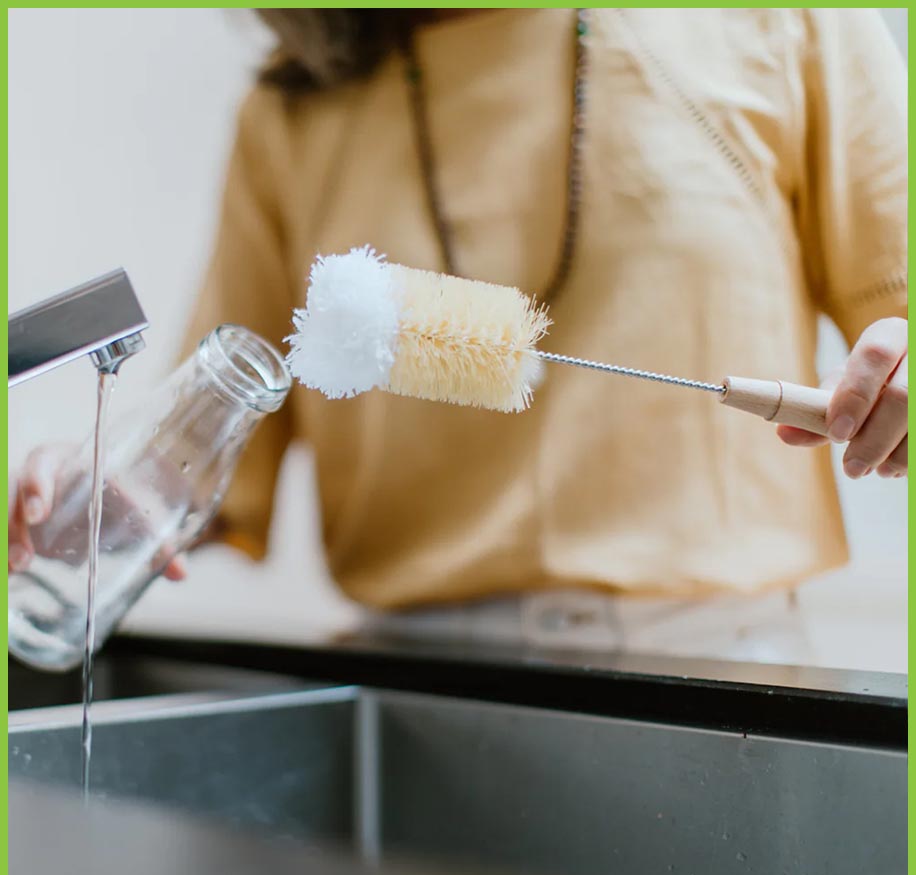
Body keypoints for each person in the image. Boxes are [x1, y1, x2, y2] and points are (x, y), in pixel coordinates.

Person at [9, 9, 907, 663]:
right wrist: (113, 489)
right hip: (411, 686)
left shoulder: (793, 18)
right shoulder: (292, 110)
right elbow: (213, 430)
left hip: (726, 671)